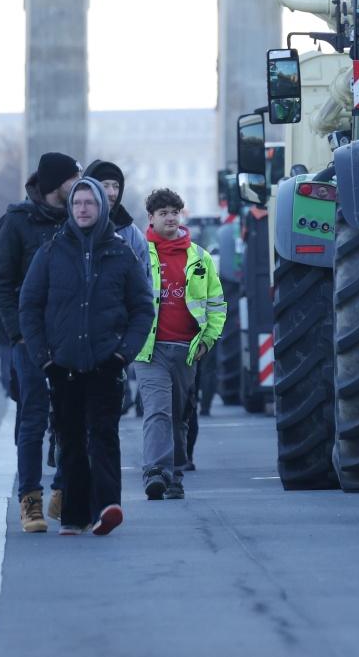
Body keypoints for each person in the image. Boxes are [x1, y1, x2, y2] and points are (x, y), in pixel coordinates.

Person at [18, 178, 148, 536]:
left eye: (91, 203)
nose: (84, 209)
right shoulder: (51, 252)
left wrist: (124, 354)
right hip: (63, 364)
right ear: (71, 208)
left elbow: (142, 309)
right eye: (78, 203)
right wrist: (43, 356)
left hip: (107, 362)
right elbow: (29, 305)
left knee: (103, 434)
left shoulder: (122, 254)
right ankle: (75, 516)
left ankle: (108, 506)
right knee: (70, 438)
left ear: (102, 208)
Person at [0, 150, 77, 532]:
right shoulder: (17, 222)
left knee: (71, 415)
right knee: (33, 417)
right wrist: (18, 333)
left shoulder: (80, 217)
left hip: (72, 334)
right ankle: (30, 500)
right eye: (74, 177)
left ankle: (63, 488)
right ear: (58, 183)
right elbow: (1, 282)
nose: (79, 183)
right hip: (29, 337)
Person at [135, 188, 226, 500]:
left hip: (187, 349)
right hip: (150, 350)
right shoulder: (139, 254)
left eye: (175, 212)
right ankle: (155, 472)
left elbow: (216, 304)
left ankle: (173, 475)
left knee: (178, 415)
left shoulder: (199, 257)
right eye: (163, 213)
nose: (170, 218)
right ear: (151, 218)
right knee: (157, 411)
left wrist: (208, 340)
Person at [83, 159, 147, 268]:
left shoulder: (131, 233)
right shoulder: (73, 227)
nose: (112, 193)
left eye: (116, 186)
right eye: (105, 185)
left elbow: (145, 278)